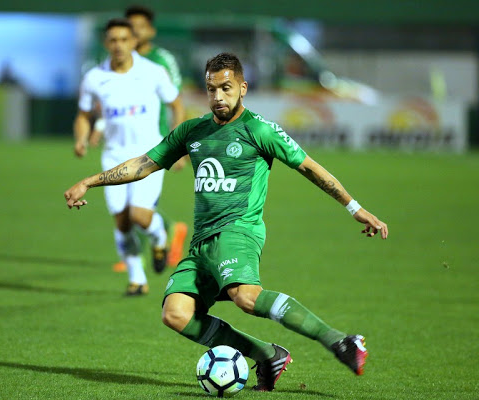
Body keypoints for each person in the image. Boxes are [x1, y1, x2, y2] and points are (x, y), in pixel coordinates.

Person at [65, 52, 389, 390]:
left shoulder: (259, 129)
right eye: (211, 89)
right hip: (201, 242)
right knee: (176, 313)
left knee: (246, 297)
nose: (218, 97)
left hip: (238, 231)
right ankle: (266, 354)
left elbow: (308, 166)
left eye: (226, 88)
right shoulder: (192, 130)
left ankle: (341, 341)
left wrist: (354, 208)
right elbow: (144, 164)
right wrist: (90, 181)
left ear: (243, 88)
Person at [73, 18, 185, 296]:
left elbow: (177, 105)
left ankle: (159, 236)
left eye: (124, 39)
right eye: (113, 40)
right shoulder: (94, 77)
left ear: (134, 41)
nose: (119, 45)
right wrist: (80, 138)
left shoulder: (154, 72)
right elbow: (84, 115)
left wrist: (177, 144)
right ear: (105, 43)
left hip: (149, 155)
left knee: (140, 216)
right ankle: (137, 279)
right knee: (122, 222)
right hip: (113, 155)